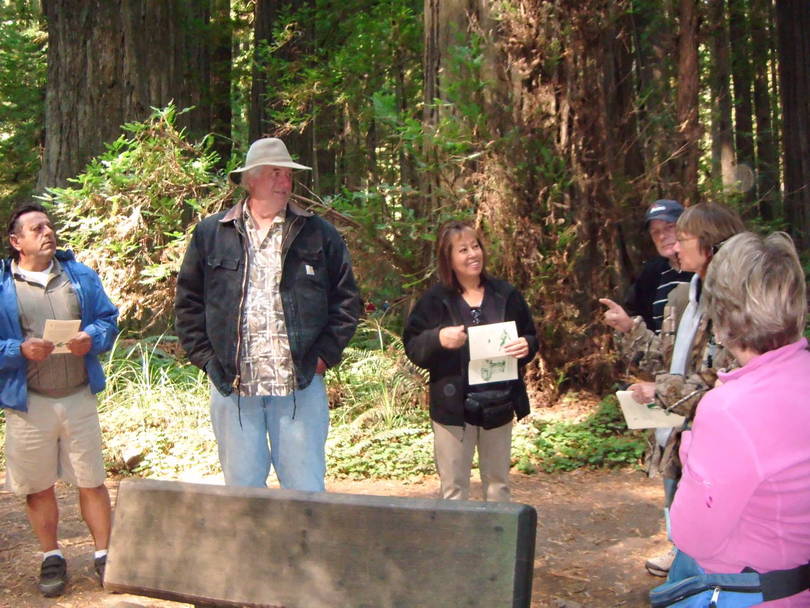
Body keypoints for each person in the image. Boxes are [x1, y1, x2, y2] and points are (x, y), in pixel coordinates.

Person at [175, 137, 361, 492]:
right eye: (276, 173)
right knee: (243, 490)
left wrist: (323, 357)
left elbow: (346, 301)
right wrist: (208, 361)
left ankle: (304, 550)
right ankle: (252, 551)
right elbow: (188, 304)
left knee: (305, 488)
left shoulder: (318, 234)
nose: (285, 182)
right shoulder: (212, 234)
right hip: (234, 386)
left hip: (299, 385)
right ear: (251, 180)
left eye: (288, 174)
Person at [652, 232, 810, 607]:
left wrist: (691, 448)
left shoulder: (730, 409)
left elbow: (692, 536)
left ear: (721, 317)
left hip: (751, 590)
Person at [617, 202, 745, 577]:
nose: (674, 247)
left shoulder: (734, 304)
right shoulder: (684, 296)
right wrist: (630, 330)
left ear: (710, 244)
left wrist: (662, 391)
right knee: (683, 512)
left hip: (715, 435)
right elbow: (668, 358)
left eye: (683, 239)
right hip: (681, 430)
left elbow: (721, 380)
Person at [1, 203, 119, 597]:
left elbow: (107, 319)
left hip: (78, 397)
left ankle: (105, 555)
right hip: (29, 403)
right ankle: (52, 555)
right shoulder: (3, 287)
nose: (47, 232)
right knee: (36, 486)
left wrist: (93, 339)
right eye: (36, 229)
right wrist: (18, 350)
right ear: (16, 242)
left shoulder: (79, 276)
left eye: (49, 226)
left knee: (92, 480)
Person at [402, 220, 538, 502]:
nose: (473, 254)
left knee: (498, 485)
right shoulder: (435, 300)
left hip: (498, 404)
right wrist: (439, 338)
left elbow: (530, 335)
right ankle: (457, 546)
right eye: (463, 249)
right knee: (453, 489)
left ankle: (498, 545)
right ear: (448, 258)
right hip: (453, 409)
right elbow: (413, 345)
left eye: (475, 246)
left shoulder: (506, 294)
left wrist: (527, 345)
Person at [601, 199, 692, 335]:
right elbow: (638, 321)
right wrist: (628, 326)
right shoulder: (652, 274)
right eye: (655, 232)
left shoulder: (705, 267)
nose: (662, 236)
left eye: (670, 227)